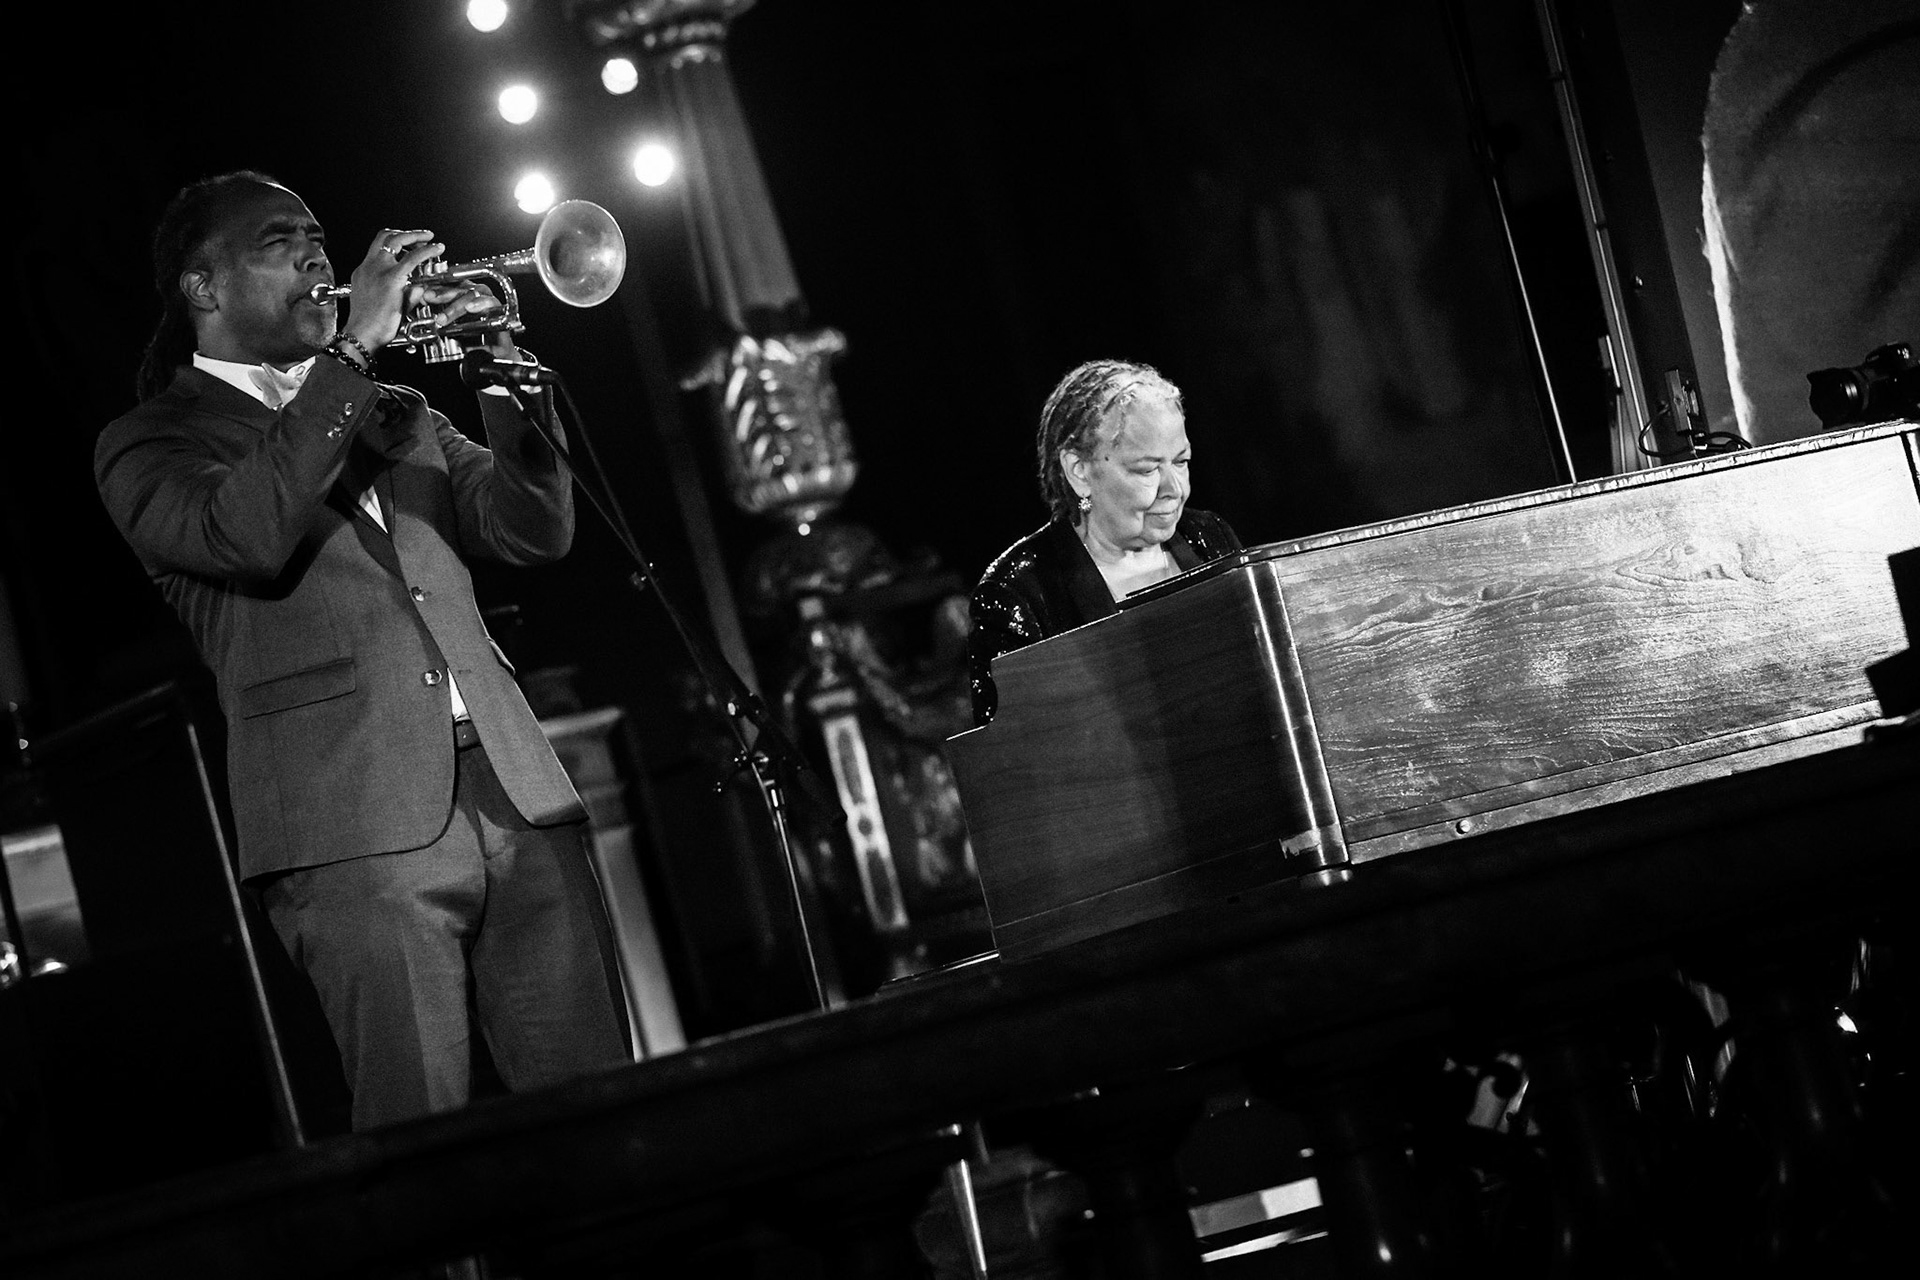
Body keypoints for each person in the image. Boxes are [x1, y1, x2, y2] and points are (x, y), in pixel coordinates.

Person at [94, 171, 630, 1132]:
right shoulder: (149, 443)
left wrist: (500, 364)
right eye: (277, 243)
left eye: (315, 236)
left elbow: (532, 529)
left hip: (515, 795)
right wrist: (348, 355)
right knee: (421, 1157)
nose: (314, 256)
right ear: (202, 288)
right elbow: (244, 535)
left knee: (606, 1134)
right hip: (351, 831)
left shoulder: (391, 411)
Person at [968, 359, 1243, 725]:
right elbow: (1015, 759)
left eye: (1181, 462)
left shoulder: (1208, 536)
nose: (1174, 490)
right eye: (1146, 470)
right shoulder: (1018, 593)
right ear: (1079, 471)